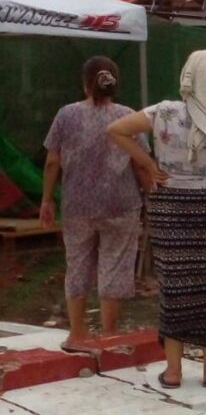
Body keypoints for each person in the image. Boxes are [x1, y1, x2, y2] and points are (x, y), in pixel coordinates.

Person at [108, 50, 206, 389]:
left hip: (169, 206)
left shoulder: (163, 111)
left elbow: (115, 130)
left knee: (173, 287)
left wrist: (148, 164)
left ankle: (173, 371)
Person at [40, 56, 150, 353]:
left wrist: (47, 199)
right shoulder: (129, 117)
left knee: (77, 264)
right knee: (115, 265)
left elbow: (52, 162)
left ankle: (77, 334)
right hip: (121, 204)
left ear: (85, 83)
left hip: (77, 205)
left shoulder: (66, 115)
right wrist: (151, 196)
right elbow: (141, 163)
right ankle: (109, 336)